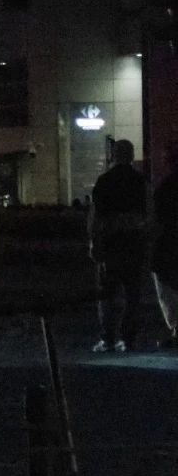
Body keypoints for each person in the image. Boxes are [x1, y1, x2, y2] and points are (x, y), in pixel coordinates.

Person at [89, 138, 148, 354]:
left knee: (107, 294)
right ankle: (128, 338)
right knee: (133, 294)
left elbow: (96, 216)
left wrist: (94, 243)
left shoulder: (104, 181)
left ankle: (108, 339)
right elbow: (146, 215)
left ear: (113, 155)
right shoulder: (139, 181)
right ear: (131, 156)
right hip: (133, 244)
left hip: (111, 244)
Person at [149, 142, 178, 348]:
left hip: (169, 245)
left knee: (168, 290)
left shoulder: (164, 187)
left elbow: (155, 219)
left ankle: (176, 329)